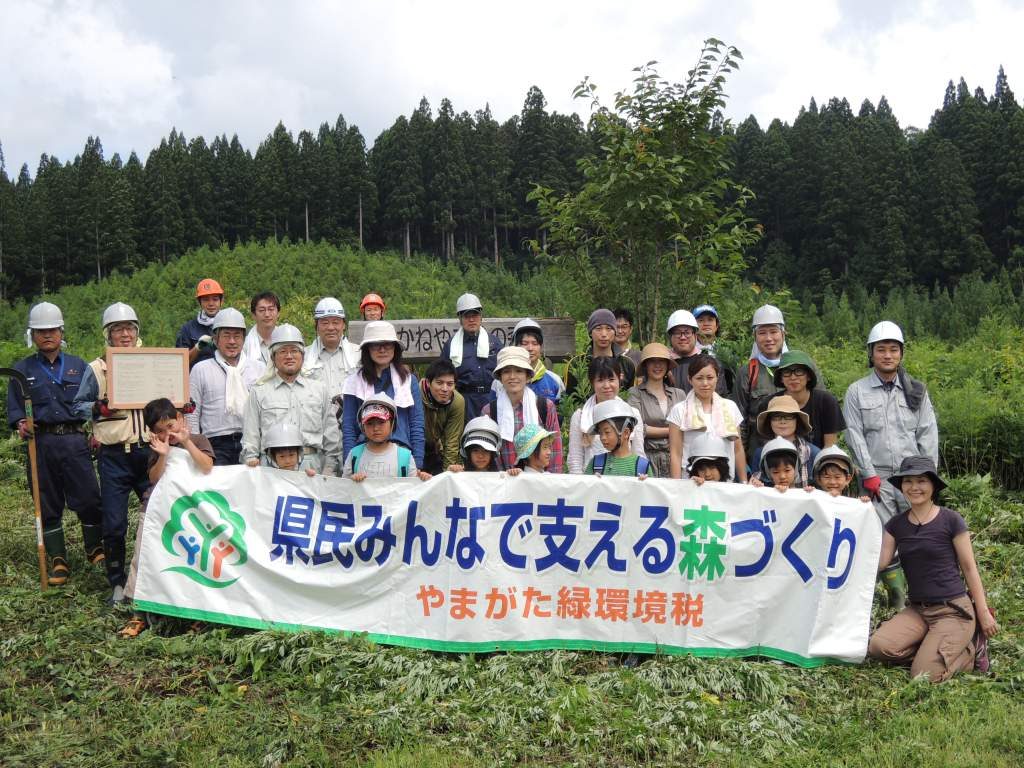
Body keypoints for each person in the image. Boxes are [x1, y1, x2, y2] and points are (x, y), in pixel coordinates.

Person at [868, 456, 998, 682]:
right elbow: (879, 563)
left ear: (933, 485)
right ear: (901, 486)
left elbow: (969, 568)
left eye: (921, 481)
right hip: (918, 610)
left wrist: (983, 613)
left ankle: (970, 650)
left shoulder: (951, 520)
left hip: (953, 610)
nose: (914, 487)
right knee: (878, 647)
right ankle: (932, 648)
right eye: (908, 481)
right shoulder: (895, 525)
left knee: (922, 676)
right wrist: (858, 509)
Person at [844, 320, 939, 610]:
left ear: (901, 354)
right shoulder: (857, 391)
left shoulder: (916, 391)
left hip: (914, 476)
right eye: (881, 349)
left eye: (893, 350)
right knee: (885, 536)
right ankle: (895, 602)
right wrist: (869, 474)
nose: (887, 355)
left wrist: (929, 476)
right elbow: (854, 434)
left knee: (919, 534)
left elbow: (927, 432)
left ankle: (925, 594)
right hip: (879, 479)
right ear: (871, 353)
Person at [8, 302, 103, 587]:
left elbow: (93, 404)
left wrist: (96, 429)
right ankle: (58, 558)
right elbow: (14, 410)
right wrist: (21, 425)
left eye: (52, 330)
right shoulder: (21, 371)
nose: (47, 335)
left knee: (88, 497)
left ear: (61, 332)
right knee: (47, 501)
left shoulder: (78, 366)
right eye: (41, 331)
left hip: (75, 440)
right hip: (42, 443)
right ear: (32, 335)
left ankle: (94, 548)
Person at [72, 302, 151, 600]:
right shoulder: (96, 369)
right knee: (115, 522)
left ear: (137, 331)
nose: (125, 334)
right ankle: (117, 581)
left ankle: (150, 576)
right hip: (114, 457)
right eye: (118, 329)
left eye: (129, 328)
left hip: (148, 453)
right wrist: (98, 407)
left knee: (156, 516)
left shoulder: (152, 361)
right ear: (108, 334)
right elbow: (76, 406)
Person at [120, 398, 214, 636]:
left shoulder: (199, 440)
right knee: (144, 555)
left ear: (180, 419)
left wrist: (186, 442)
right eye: (160, 431)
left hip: (193, 511)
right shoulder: (158, 448)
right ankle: (137, 611)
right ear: (152, 433)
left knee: (196, 560)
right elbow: (154, 478)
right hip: (157, 508)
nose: (167, 433)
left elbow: (206, 466)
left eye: (171, 426)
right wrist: (162, 454)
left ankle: (198, 613)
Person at [241, 324, 341, 475]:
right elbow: (250, 437)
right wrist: (252, 466)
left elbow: (331, 436)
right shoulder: (259, 392)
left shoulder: (319, 389)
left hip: (313, 468)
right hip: (271, 468)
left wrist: (329, 470)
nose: (289, 356)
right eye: (282, 351)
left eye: (294, 351)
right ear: (273, 358)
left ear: (303, 355)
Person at [341, 320, 425, 468]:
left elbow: (416, 425)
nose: (382, 350)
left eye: (388, 344)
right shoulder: (353, 382)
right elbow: (349, 428)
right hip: (364, 456)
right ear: (367, 349)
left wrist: (417, 464)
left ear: (395, 348)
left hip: (401, 457)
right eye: (375, 345)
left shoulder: (409, 381)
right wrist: (350, 465)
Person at [187, 308, 263, 466]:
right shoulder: (201, 369)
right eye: (226, 335)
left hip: (252, 443)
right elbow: (192, 415)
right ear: (215, 338)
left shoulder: (258, 369)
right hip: (214, 445)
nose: (232, 341)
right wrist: (195, 448)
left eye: (237, 336)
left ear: (244, 338)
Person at [481, 347, 563, 472]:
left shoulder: (545, 407)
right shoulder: (489, 411)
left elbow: (555, 449)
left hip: (539, 482)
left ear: (527, 376)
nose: (512, 376)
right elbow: (486, 454)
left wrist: (553, 483)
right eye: (507, 371)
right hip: (502, 483)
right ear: (500, 377)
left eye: (519, 371)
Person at [667, 354, 745, 481]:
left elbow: (737, 449)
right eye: (699, 378)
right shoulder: (679, 410)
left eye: (710, 378)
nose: (705, 383)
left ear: (717, 378)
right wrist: (677, 485)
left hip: (724, 482)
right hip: (691, 481)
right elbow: (676, 453)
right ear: (690, 379)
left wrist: (744, 481)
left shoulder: (730, 407)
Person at [750, 350, 844, 454]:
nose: (793, 377)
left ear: (808, 376)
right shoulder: (770, 404)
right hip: (778, 462)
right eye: (787, 372)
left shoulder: (826, 401)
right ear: (781, 378)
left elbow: (829, 447)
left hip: (818, 460)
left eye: (799, 371)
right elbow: (766, 443)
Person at [568, 357, 645, 474]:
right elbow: (575, 461)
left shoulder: (632, 414)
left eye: (611, 379)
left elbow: (638, 453)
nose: (606, 385)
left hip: (625, 481)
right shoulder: (580, 416)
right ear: (591, 382)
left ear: (620, 379)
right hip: (592, 483)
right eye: (600, 380)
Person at [735, 304, 790, 454]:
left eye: (773, 332)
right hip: (758, 452)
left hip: (796, 453)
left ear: (783, 334)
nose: (768, 338)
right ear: (755, 336)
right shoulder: (747, 372)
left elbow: (818, 409)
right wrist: (742, 458)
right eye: (762, 333)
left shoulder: (799, 367)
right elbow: (739, 421)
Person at [627, 342, 685, 479]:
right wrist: (674, 430)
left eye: (661, 361)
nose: (657, 366)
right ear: (645, 365)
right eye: (652, 361)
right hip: (646, 458)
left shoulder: (679, 394)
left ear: (667, 365)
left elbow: (687, 426)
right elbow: (637, 428)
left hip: (676, 459)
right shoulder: (635, 393)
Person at [440, 293, 501, 419]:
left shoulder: (494, 342)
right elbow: (442, 375)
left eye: (475, 315)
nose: (471, 319)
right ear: (460, 318)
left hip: (493, 398)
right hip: (464, 401)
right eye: (467, 316)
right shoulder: (451, 345)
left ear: (481, 316)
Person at [344, 394, 431, 481]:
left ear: (392, 423)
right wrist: (352, 480)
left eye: (381, 422)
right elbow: (343, 487)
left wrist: (421, 479)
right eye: (369, 423)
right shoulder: (354, 455)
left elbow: (413, 488)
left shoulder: (405, 457)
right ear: (362, 426)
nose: (375, 428)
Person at [748, 395, 820, 488]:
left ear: (797, 420)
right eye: (776, 417)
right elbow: (758, 486)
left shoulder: (813, 452)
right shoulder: (760, 453)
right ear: (769, 422)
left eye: (788, 417)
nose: (782, 421)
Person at [564, 308, 637, 396]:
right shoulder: (576, 364)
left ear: (614, 332)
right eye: (598, 328)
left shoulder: (627, 364)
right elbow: (569, 400)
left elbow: (631, 397)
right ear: (590, 332)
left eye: (609, 328)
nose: (604, 334)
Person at [305, 297, 361, 400]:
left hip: (349, 415)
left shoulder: (359, 354)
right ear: (317, 326)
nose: (330, 328)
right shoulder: (304, 356)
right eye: (325, 323)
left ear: (343, 325)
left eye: (336, 322)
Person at [420, 359, 465, 475]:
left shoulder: (457, 401)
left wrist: (446, 474)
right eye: (439, 383)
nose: (445, 389)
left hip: (439, 449)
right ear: (429, 382)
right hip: (417, 446)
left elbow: (452, 440)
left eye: (450, 384)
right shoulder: (416, 395)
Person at [584, 398, 650, 477]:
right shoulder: (595, 464)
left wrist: (644, 484)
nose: (602, 438)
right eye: (600, 433)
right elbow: (584, 488)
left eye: (607, 432)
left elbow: (650, 489)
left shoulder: (642, 466)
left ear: (626, 433)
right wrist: (593, 482)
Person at [511, 318, 564, 406]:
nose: (530, 348)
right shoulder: (502, 381)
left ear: (541, 347)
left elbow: (562, 414)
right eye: (525, 343)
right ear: (515, 346)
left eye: (535, 344)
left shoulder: (555, 381)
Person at [177, 278, 224, 368]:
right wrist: (198, 347)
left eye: (215, 299)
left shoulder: (229, 325)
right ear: (200, 302)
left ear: (221, 301)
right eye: (206, 300)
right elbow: (180, 362)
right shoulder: (188, 329)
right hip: (196, 379)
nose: (211, 304)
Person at [243, 291, 280, 367]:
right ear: (253, 315)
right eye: (262, 310)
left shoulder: (286, 339)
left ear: (278, 313)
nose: (267, 314)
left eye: (271, 309)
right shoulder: (244, 343)